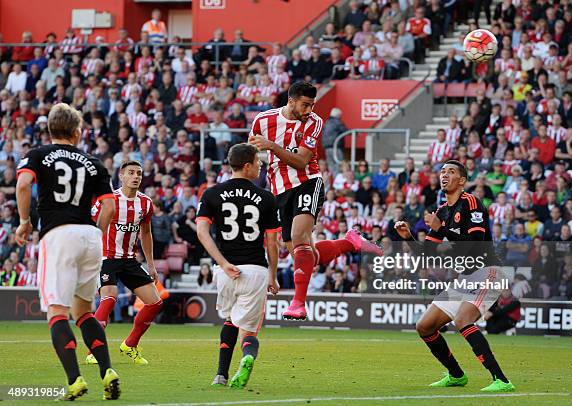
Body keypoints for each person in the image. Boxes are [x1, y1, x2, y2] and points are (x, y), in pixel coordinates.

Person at [248, 82, 382, 320]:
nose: (309, 109)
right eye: (305, 104)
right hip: (279, 190)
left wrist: (272, 146)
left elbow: (301, 161)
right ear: (291, 101)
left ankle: (298, 304)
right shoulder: (263, 120)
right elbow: (251, 149)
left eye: (312, 105)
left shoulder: (315, 122)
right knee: (309, 257)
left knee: (299, 238)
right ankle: (351, 242)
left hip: (308, 181)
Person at [14, 103, 120, 400]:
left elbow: (23, 184)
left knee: (57, 312)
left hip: (58, 235)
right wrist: (96, 233)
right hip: (90, 235)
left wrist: (25, 222)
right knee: (83, 312)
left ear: (50, 130)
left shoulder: (38, 154)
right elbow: (109, 206)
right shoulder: (94, 161)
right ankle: (107, 370)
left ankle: (75, 380)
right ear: (76, 132)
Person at [395, 160, 515, 392]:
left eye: (451, 172)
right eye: (442, 171)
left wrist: (442, 229)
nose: (444, 175)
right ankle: (456, 375)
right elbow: (427, 255)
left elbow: (475, 245)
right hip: (465, 277)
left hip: (488, 271)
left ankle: (501, 380)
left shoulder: (472, 203)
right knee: (425, 326)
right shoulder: (441, 211)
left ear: (462, 181)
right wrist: (407, 237)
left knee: (462, 321)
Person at [196, 143, 280, 389]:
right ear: (247, 166)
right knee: (249, 332)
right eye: (258, 161)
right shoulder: (266, 198)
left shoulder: (211, 194)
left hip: (225, 271)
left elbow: (202, 232)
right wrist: (273, 276)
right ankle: (247, 357)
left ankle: (220, 374)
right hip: (255, 271)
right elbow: (272, 243)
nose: (261, 165)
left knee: (230, 320)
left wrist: (222, 262)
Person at [86, 160, 162, 366]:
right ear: (121, 176)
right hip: (107, 257)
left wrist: (151, 265)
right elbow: (90, 225)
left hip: (129, 259)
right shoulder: (108, 200)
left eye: (139, 173)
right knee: (109, 298)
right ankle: (94, 349)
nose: (136, 176)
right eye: (131, 172)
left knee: (155, 302)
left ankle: (130, 345)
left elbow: (146, 234)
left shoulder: (145, 203)